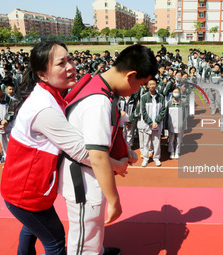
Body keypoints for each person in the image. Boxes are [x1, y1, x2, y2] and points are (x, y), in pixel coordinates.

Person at [58, 44, 158, 254]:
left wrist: (126, 148)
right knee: (84, 242)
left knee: (93, 233)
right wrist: (115, 200)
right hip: (84, 182)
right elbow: (97, 157)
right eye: (140, 84)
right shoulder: (99, 102)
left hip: (89, 176)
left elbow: (109, 129)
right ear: (130, 75)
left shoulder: (99, 84)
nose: (138, 89)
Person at [0, 41, 91, 255]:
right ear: (42, 74)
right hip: (25, 193)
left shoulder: (49, 95)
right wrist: (115, 164)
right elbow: (82, 151)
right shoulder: (44, 108)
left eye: (70, 59)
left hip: (26, 189)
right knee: (56, 241)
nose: (70, 66)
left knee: (31, 229)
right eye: (61, 63)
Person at [141, 78, 166, 167]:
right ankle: (145, 158)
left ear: (156, 85)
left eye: (153, 84)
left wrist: (157, 121)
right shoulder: (144, 97)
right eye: (150, 84)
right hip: (147, 124)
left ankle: (156, 158)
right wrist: (151, 122)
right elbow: (143, 112)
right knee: (146, 142)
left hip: (157, 124)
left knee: (156, 142)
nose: (152, 86)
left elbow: (163, 110)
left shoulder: (161, 97)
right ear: (147, 85)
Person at [166, 87, 187, 159]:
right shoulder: (169, 103)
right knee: (171, 140)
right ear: (172, 93)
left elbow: (184, 115)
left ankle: (177, 152)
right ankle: (171, 152)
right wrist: (166, 125)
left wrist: (184, 125)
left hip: (179, 125)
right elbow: (166, 115)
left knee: (178, 140)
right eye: (175, 92)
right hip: (171, 124)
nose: (176, 94)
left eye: (177, 92)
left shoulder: (182, 103)